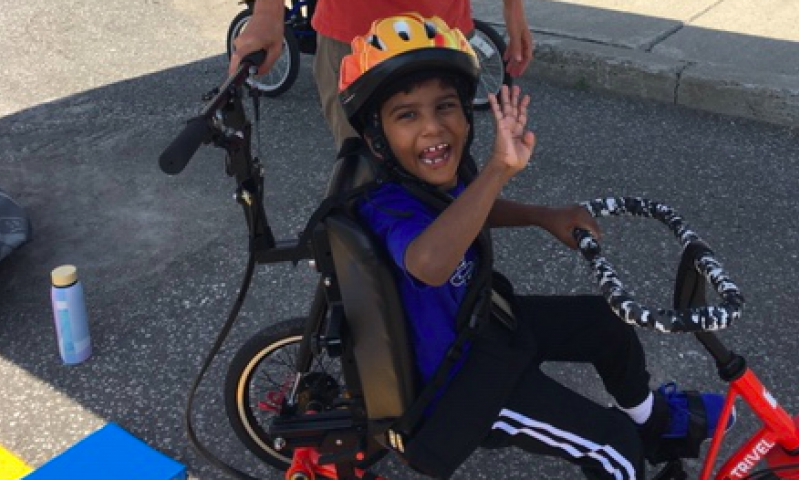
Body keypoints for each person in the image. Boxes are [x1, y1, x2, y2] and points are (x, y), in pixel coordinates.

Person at [337, 13, 735, 479]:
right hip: (459, 387)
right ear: (376, 138)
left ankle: (651, 422)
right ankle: (632, 442)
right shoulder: (388, 206)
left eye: (446, 107)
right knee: (614, 450)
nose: (433, 128)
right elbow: (429, 264)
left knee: (605, 324)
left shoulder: (431, 177)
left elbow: (471, 210)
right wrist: (498, 170)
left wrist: (543, 216)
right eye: (407, 115)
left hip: (484, 327)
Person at [228, 0, 533, 149]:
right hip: (354, 37)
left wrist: (514, 9)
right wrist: (268, 13)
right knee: (363, 174)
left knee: (445, 169)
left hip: (443, 32)